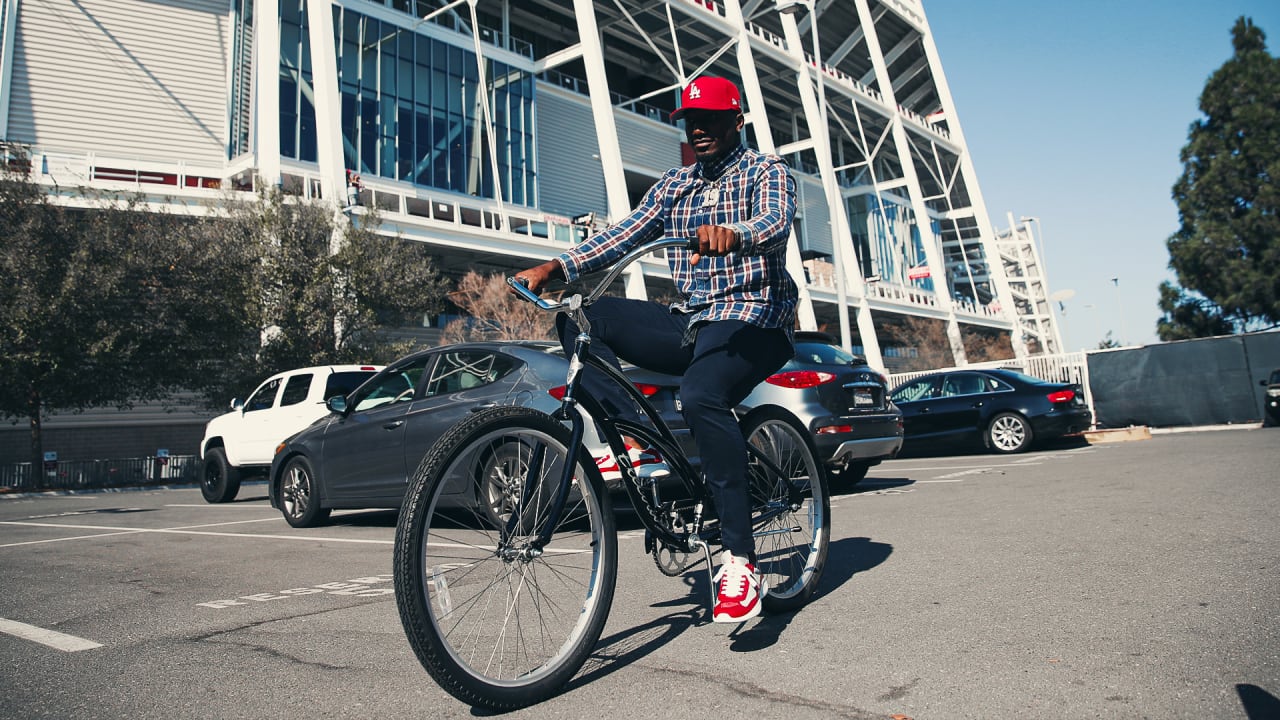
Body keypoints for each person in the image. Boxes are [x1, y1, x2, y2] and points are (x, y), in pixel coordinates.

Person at [513, 76, 797, 624]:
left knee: (700, 396)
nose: (700, 128)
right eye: (691, 120)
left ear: (736, 121)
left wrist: (735, 234)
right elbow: (624, 235)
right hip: (693, 321)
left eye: (712, 118)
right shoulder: (674, 185)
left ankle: (740, 560)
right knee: (583, 318)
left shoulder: (766, 172)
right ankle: (638, 438)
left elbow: (775, 219)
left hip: (753, 319)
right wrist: (558, 267)